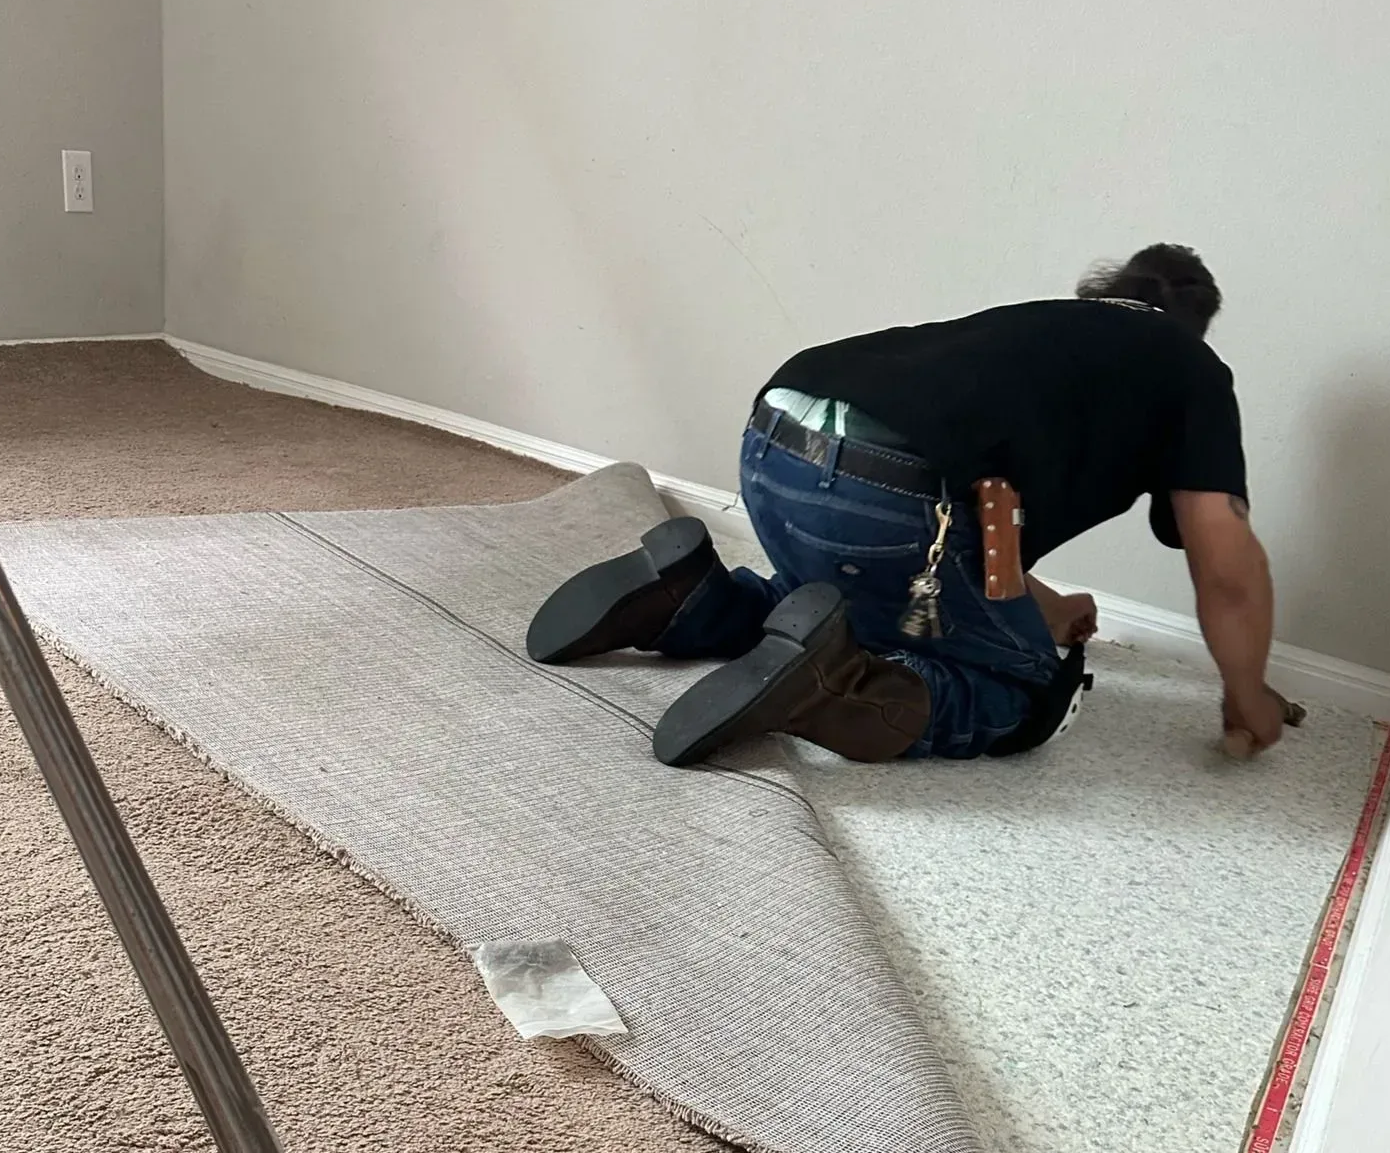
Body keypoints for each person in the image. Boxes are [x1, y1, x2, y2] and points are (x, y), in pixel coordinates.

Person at [525, 244, 1289, 768]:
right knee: (1031, 695)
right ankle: (834, 687)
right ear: (1196, 325)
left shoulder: (1042, 331)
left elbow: (981, 493)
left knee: (849, 598)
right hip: (893, 491)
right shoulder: (1190, 369)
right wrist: (1246, 693)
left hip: (777, 433)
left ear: (1107, 294)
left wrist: (1036, 602)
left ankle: (691, 598)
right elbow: (1226, 565)